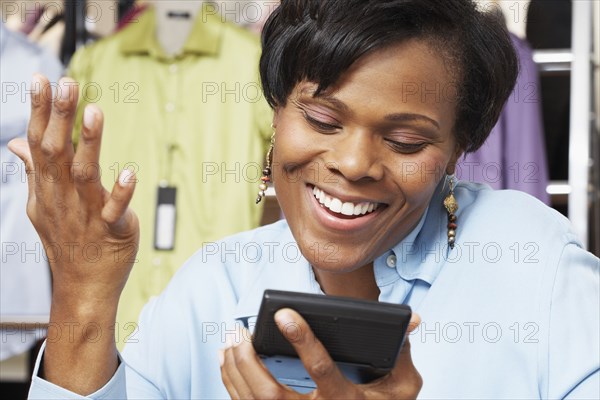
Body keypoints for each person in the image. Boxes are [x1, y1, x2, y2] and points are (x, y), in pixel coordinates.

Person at [7, 0, 599, 399]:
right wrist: (83, 297)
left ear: (460, 146)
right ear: (275, 109)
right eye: (321, 119)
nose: (352, 164)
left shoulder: (534, 263)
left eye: (404, 141)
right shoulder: (215, 283)